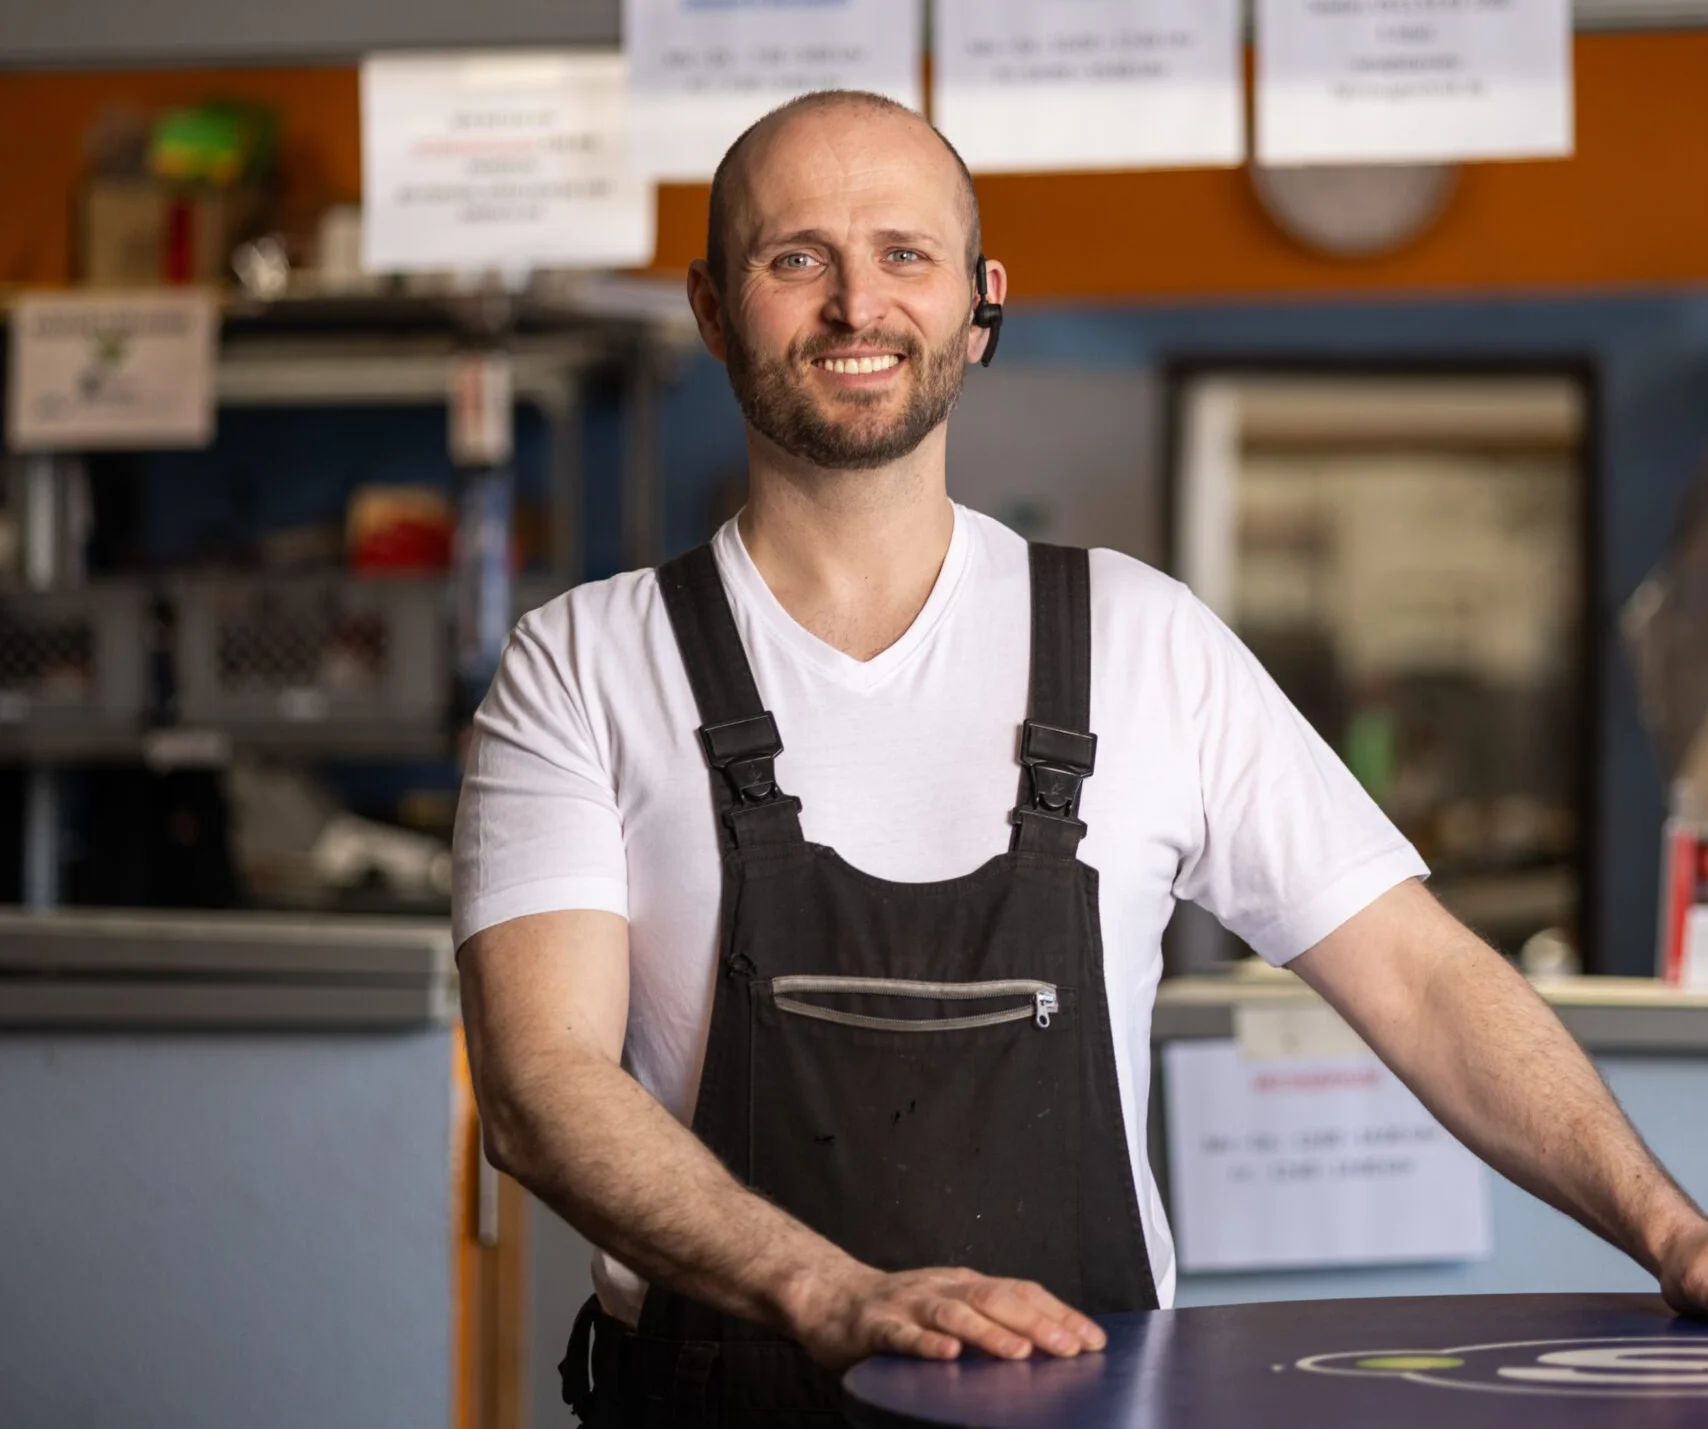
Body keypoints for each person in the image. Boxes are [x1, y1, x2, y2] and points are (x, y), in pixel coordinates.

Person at [453, 89, 1708, 1425]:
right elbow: (543, 1086)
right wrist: (834, 1299)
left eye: (905, 255)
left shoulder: (1141, 640)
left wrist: (1670, 1229)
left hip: (1079, 1404)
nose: (855, 306)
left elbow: (1420, 977)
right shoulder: (582, 664)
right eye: (796, 257)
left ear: (982, 302)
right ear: (713, 308)